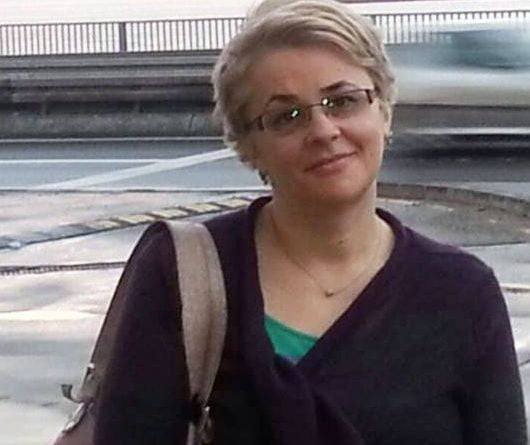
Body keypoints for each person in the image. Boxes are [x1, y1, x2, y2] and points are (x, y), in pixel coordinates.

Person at [94, 1, 527, 444]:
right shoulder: (183, 274)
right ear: (249, 146)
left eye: (343, 101)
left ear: (384, 111)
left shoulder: (463, 293)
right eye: (288, 116)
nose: (323, 130)